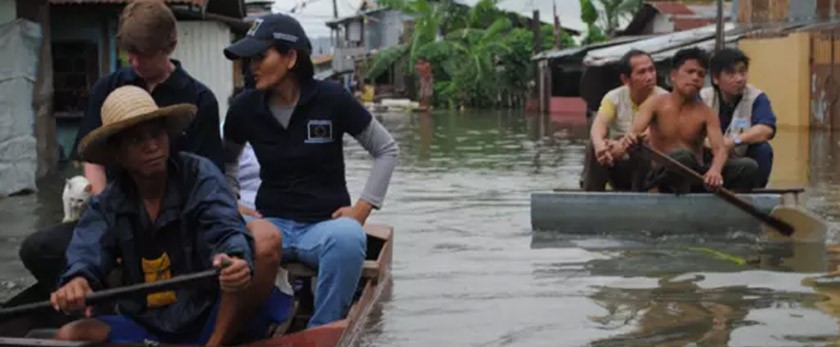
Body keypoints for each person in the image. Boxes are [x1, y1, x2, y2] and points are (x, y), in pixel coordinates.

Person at [50, 86, 286, 346]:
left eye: (156, 135)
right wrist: (77, 281)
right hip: (148, 321)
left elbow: (223, 225)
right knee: (68, 336)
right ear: (119, 154)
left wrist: (233, 259)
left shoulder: (198, 175)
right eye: (137, 140)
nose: (152, 146)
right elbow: (88, 248)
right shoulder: (109, 202)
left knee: (265, 238)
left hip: (210, 312)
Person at [20, 0, 225, 293]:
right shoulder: (109, 88)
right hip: (118, 213)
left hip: (174, 222)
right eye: (130, 53)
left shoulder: (198, 100)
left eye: (144, 54)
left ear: (171, 45)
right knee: (38, 248)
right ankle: (93, 298)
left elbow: (206, 178)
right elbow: (92, 157)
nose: (135, 62)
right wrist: (105, 217)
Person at [221, 13, 400, 328]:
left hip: (322, 227)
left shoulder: (332, 99)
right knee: (219, 232)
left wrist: (361, 209)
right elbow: (227, 162)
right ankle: (248, 325)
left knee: (349, 237)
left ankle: (323, 329)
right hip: (269, 224)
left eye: (261, 57)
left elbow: (386, 149)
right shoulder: (244, 108)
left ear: (291, 58)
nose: (252, 67)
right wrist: (232, 201)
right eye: (250, 60)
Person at [621, 48, 758, 194]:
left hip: (695, 175)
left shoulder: (706, 113)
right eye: (690, 72)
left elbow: (720, 149)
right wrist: (631, 139)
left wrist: (715, 171)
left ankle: (722, 202)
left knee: (748, 166)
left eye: (701, 74)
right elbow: (633, 133)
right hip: (664, 174)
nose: (695, 78)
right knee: (682, 156)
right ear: (673, 75)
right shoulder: (655, 104)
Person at [581, 49, 668, 191]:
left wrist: (622, 147)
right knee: (594, 145)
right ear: (626, 79)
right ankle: (591, 194)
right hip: (616, 163)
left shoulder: (665, 100)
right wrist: (600, 147)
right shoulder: (614, 97)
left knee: (641, 146)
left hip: (648, 171)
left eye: (651, 70)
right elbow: (598, 125)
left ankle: (639, 197)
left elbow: (646, 135)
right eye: (642, 72)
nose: (650, 77)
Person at [701, 48, 777, 188]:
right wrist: (714, 145)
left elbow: (766, 130)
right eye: (731, 74)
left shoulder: (756, 97)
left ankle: (755, 191)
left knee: (763, 150)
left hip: (741, 159)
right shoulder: (703, 97)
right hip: (711, 157)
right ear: (716, 78)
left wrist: (734, 141)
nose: (739, 79)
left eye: (742, 72)